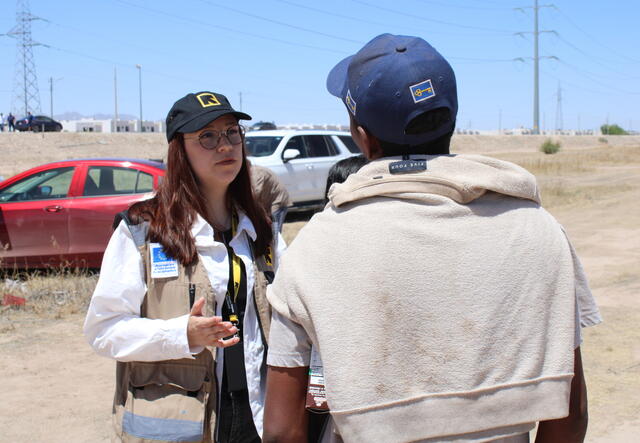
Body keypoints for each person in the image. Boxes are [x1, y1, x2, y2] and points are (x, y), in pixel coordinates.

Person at [263, 34, 601, 443]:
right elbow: (570, 412)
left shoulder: (315, 248)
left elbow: (283, 430)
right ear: (451, 121)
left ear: (362, 135)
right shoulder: (541, 230)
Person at [84, 91, 284, 443]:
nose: (225, 146)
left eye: (232, 132)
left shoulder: (259, 228)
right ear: (179, 150)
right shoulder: (144, 230)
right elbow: (104, 330)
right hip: (180, 420)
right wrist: (181, 335)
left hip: (257, 413)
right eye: (207, 136)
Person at [249, 163, 291, 234]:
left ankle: (277, 244)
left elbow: (255, 192)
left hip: (278, 201)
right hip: (271, 203)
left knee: (275, 232)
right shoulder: (253, 171)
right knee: (269, 231)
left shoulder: (255, 172)